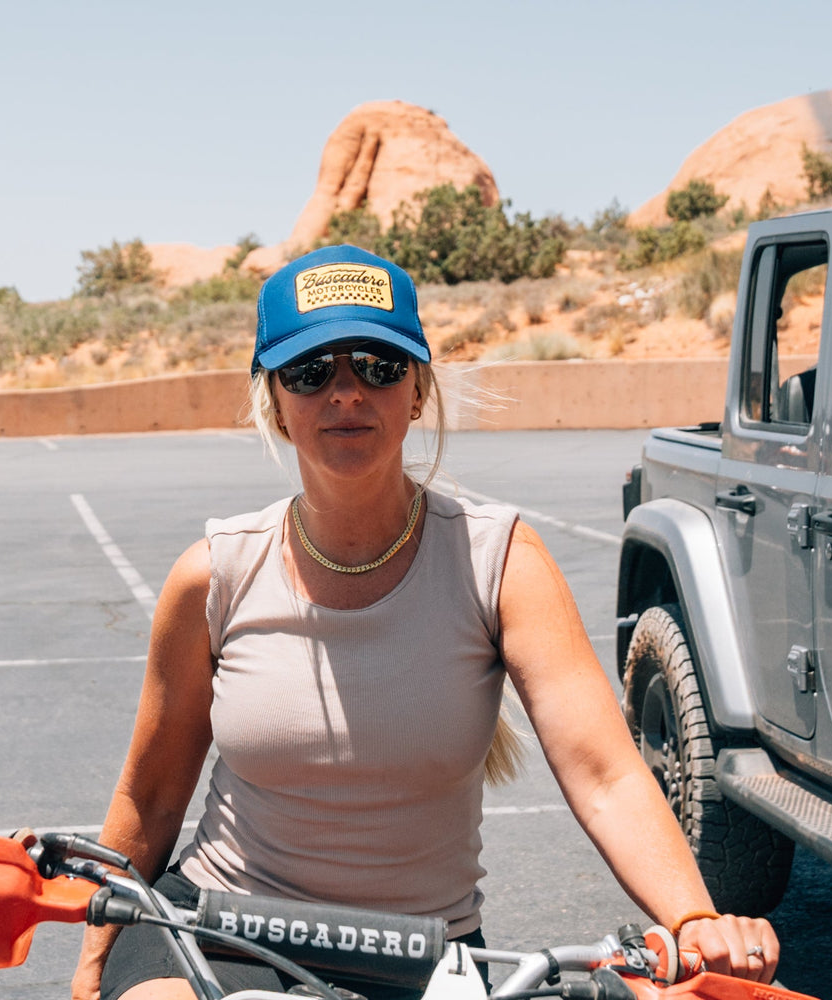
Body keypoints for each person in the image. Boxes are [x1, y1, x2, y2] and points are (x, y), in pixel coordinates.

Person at [72, 244, 779, 1000]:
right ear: (275, 403)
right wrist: (95, 965)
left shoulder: (499, 560)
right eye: (312, 372)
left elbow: (606, 776)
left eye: (377, 364)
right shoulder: (213, 575)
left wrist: (694, 918)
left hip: (420, 955)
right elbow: (150, 800)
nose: (346, 392)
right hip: (219, 927)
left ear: (416, 392)